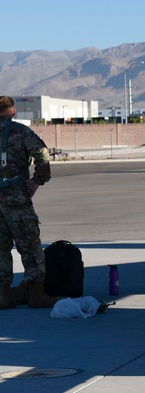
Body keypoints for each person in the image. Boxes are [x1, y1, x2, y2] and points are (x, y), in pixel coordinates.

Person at [0, 96, 59, 310]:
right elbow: (42, 153)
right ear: (13, 112)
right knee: (29, 244)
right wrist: (37, 181)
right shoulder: (21, 131)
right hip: (16, 197)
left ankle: (3, 296)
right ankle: (36, 294)